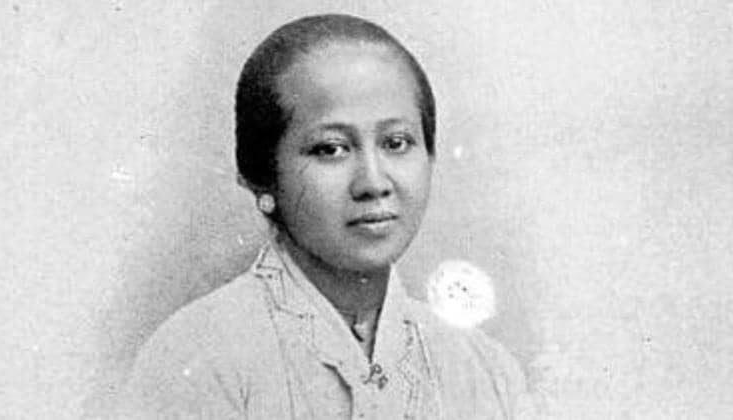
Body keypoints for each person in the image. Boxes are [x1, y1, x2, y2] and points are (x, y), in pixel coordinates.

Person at [119, 13, 533, 419]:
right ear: (263, 176)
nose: (373, 182)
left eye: (396, 142)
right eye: (331, 149)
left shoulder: (483, 370)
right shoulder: (199, 357)